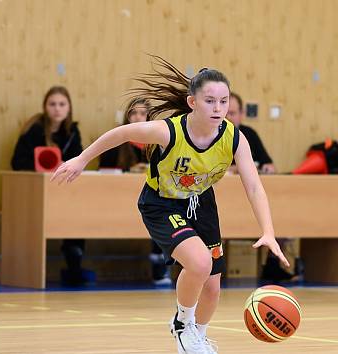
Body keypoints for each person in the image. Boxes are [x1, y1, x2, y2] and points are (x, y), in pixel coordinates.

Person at [51, 56, 289, 354]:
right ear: (192, 102)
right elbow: (122, 133)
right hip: (161, 204)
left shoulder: (234, 138)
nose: (218, 109)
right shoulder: (169, 131)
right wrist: (81, 159)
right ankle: (181, 323)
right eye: (210, 101)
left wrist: (268, 230)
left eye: (224, 101)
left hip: (201, 203)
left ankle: (197, 337)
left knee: (213, 288)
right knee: (199, 263)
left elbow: (254, 186)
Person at [11, 86, 88, 285]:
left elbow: (79, 158)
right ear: (45, 107)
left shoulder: (72, 131)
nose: (57, 109)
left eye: (62, 104)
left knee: (76, 214)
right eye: (52, 104)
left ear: (69, 107)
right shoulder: (33, 129)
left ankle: (74, 261)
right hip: (37, 191)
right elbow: (17, 162)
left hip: (65, 192)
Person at [99, 97, 171, 286]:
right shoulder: (118, 141)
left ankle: (160, 266)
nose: (138, 117)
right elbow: (104, 169)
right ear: (127, 116)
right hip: (119, 197)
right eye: (133, 113)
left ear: (149, 117)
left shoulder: (159, 142)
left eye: (142, 113)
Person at [226, 92, 276, 174]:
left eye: (232, 113)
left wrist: (268, 168)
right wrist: (238, 168)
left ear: (241, 114)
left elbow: (268, 165)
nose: (228, 117)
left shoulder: (250, 134)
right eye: (224, 113)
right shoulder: (210, 135)